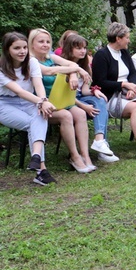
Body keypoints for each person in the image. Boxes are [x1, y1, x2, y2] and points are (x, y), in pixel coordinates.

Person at [91, 22, 136, 162]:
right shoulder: (101, 55)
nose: (129, 40)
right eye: (127, 37)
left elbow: (133, 74)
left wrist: (133, 88)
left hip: (126, 94)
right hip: (109, 97)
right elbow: (100, 82)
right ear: (118, 38)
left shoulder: (124, 53)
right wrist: (123, 85)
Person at [29, 28, 96, 173]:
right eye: (41, 41)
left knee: (80, 114)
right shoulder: (30, 60)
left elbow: (73, 65)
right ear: (32, 44)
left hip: (60, 101)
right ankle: (74, 156)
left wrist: (73, 74)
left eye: (48, 41)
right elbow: (49, 71)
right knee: (67, 116)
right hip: (41, 105)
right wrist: (75, 71)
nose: (45, 44)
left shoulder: (50, 57)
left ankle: (85, 155)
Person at [0, 32, 57, 186]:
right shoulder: (1, 68)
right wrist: (41, 102)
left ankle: (36, 158)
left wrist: (43, 101)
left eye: (25, 47)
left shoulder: (31, 62)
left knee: (41, 115)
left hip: (29, 102)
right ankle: (41, 170)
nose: (22, 51)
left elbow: (38, 85)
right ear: (7, 50)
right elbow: (19, 91)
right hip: (5, 104)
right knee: (34, 122)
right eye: (17, 48)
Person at [61, 34, 119, 164]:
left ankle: (99, 141)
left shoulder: (85, 66)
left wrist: (95, 91)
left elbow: (85, 90)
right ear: (70, 49)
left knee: (100, 101)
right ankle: (100, 148)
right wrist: (84, 106)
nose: (83, 51)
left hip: (81, 97)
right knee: (93, 107)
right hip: (67, 101)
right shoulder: (62, 67)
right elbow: (65, 96)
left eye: (84, 48)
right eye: (79, 48)